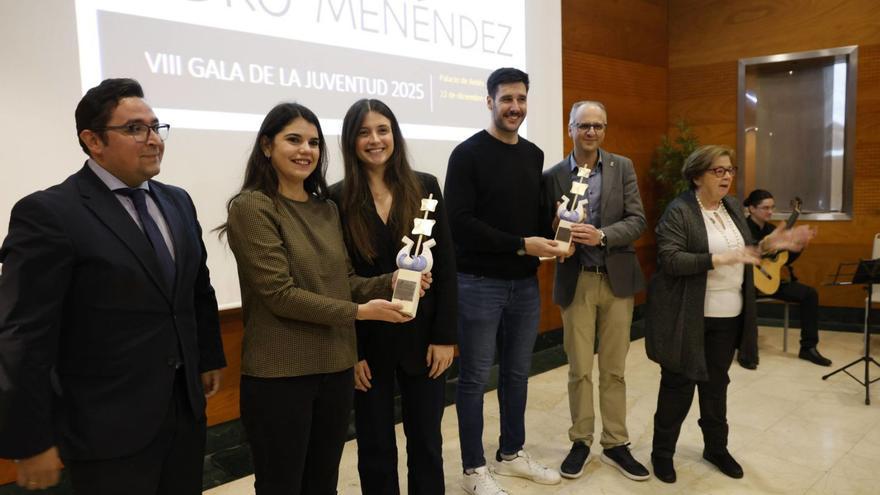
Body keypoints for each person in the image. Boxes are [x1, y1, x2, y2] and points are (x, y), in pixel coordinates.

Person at [0, 78, 226, 494]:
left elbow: (196, 288)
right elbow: (23, 334)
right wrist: (30, 438)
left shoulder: (177, 201)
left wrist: (208, 355)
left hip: (183, 410)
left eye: (157, 127)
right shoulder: (49, 213)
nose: (154, 139)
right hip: (106, 428)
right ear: (93, 140)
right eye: (135, 129)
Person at [221, 102, 415, 495]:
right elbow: (280, 295)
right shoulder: (252, 206)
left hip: (335, 368)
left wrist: (388, 281)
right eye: (293, 139)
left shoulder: (326, 208)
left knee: (323, 482)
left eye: (313, 142)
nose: (305, 150)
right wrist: (362, 312)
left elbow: (342, 281)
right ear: (265, 146)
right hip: (280, 375)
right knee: (282, 485)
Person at [644, 145, 814, 484]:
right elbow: (671, 260)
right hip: (689, 315)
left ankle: (716, 448)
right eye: (717, 171)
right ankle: (662, 453)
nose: (726, 177)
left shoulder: (732, 207)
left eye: (729, 170)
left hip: (729, 315)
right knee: (678, 385)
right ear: (696, 176)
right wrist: (720, 259)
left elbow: (748, 251)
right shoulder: (679, 211)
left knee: (716, 384)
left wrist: (777, 243)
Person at [445, 67, 565, 495]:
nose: (515, 107)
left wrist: (556, 229)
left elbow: (533, 220)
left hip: (524, 286)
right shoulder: (467, 154)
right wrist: (521, 244)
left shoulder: (533, 154)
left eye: (521, 99)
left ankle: (511, 453)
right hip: (477, 283)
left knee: (517, 374)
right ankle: (473, 469)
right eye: (506, 99)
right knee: (475, 379)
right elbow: (458, 223)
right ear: (489, 101)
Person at [330, 98, 457, 495]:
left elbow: (449, 267)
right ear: (351, 141)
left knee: (427, 444)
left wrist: (445, 337)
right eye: (364, 132)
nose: (375, 139)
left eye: (382, 130)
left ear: (395, 135)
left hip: (424, 342)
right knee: (375, 448)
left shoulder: (426, 187)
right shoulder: (335, 199)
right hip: (368, 345)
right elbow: (336, 281)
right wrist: (350, 352)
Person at [543, 101, 649, 481]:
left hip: (617, 278)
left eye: (598, 126)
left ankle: (616, 443)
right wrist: (557, 224)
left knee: (615, 369)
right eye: (584, 125)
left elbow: (638, 220)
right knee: (579, 369)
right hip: (577, 280)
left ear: (605, 130)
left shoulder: (622, 167)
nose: (591, 132)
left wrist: (603, 235)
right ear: (570, 128)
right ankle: (581, 441)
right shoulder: (554, 175)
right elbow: (546, 229)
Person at [743, 189, 831, 367]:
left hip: (770, 280)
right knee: (745, 301)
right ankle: (747, 353)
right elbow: (746, 252)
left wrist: (798, 246)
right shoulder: (741, 228)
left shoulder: (772, 229)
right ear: (751, 209)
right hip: (747, 281)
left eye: (772, 207)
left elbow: (783, 260)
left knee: (809, 294)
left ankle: (808, 348)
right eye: (765, 208)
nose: (770, 212)